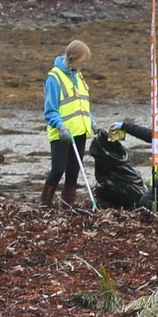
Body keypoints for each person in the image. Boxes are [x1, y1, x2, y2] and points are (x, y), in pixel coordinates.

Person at [41, 39, 93, 209]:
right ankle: (44, 205)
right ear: (72, 58)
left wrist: (93, 123)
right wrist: (60, 126)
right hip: (61, 133)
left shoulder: (77, 74)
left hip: (79, 132)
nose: (83, 65)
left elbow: (82, 104)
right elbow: (50, 110)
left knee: (73, 172)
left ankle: (67, 208)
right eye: (82, 61)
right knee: (58, 170)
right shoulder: (54, 78)